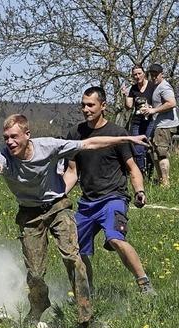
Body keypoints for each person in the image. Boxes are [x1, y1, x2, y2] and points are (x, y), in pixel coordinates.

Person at [0, 114, 149, 328]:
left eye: (14, 136)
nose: (10, 142)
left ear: (27, 135)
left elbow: (89, 143)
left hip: (57, 207)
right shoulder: (3, 160)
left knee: (73, 259)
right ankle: (38, 306)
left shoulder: (48, 146)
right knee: (35, 273)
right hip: (30, 216)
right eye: (6, 138)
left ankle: (86, 317)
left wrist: (126, 139)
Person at [64, 86, 156, 296]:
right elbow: (71, 172)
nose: (86, 109)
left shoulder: (117, 134)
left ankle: (144, 284)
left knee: (115, 238)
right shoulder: (75, 134)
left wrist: (139, 191)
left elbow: (133, 168)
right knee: (74, 249)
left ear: (103, 106)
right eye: (83, 105)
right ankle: (86, 292)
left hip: (113, 198)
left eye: (91, 105)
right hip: (87, 203)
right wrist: (60, 195)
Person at [141, 64, 179, 187]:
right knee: (153, 150)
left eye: (156, 74)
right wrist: (151, 108)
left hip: (165, 125)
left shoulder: (164, 87)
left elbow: (172, 103)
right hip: (158, 124)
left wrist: (153, 111)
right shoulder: (157, 87)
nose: (153, 77)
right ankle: (161, 180)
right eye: (152, 74)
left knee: (161, 152)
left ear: (162, 74)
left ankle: (166, 183)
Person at [122, 65, 156, 177]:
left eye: (139, 73)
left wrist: (151, 108)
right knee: (137, 148)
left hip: (150, 121)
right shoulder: (133, 89)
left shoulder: (152, 86)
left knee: (149, 147)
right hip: (137, 122)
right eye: (135, 75)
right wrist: (125, 95)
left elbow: (159, 102)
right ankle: (141, 173)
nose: (137, 76)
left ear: (144, 73)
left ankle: (150, 172)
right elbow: (129, 106)